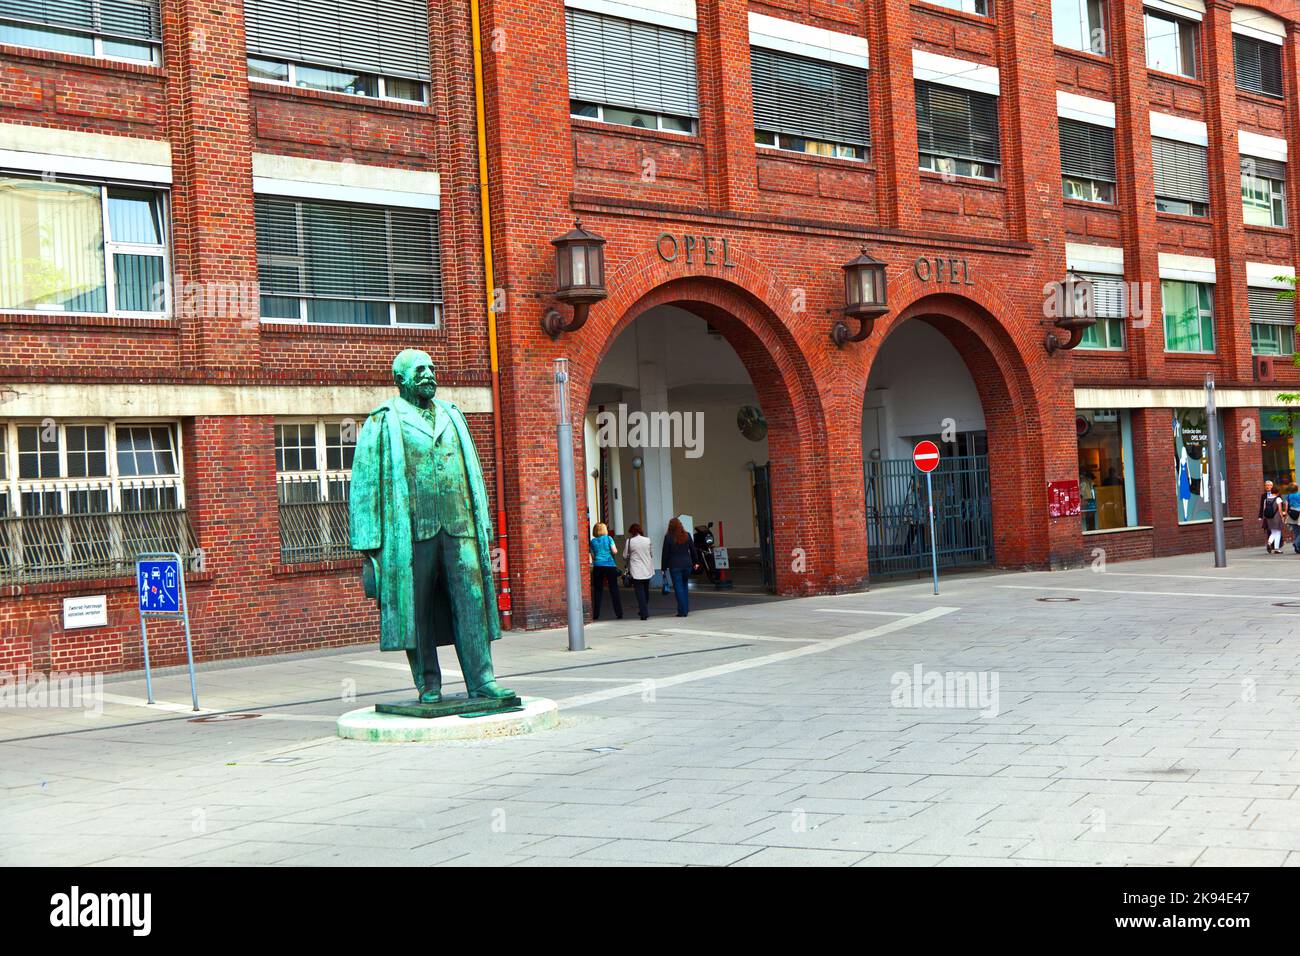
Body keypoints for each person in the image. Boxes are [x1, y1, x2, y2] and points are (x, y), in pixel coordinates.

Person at [661, 517, 700, 617]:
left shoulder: (668, 537)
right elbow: (693, 550)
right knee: (684, 586)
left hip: (675, 566)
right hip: (687, 565)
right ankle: (685, 609)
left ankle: (682, 611)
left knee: (678, 587)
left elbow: (665, 553)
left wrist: (663, 567)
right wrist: (696, 562)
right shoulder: (687, 535)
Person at [588, 522, 623, 620]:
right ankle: (619, 613)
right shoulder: (609, 539)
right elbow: (615, 551)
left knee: (598, 590)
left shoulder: (593, 541)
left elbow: (593, 556)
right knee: (614, 589)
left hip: (598, 566)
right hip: (610, 566)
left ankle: (596, 614)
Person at [623, 523, 655, 620]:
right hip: (647, 569)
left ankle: (644, 612)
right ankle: (643, 610)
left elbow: (625, 556)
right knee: (646, 591)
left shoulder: (629, 541)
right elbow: (651, 554)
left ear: (631, 532)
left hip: (636, 570)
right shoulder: (647, 540)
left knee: (639, 593)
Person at [1262, 487, 1285, 554]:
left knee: (1273, 532)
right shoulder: (1278, 499)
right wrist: (1282, 517)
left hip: (1269, 518)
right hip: (1276, 517)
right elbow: (1280, 510)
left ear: (1271, 492)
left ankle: (1269, 543)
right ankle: (1276, 549)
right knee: (1278, 532)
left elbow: (1264, 509)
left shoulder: (1266, 499)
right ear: (1277, 492)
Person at [1285, 483, 1300, 555]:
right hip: (1299, 514)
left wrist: (1286, 514)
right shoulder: (1299, 495)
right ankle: (1296, 543)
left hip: (1292, 515)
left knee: (1296, 532)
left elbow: (1287, 506)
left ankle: (1298, 548)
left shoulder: (1288, 496)